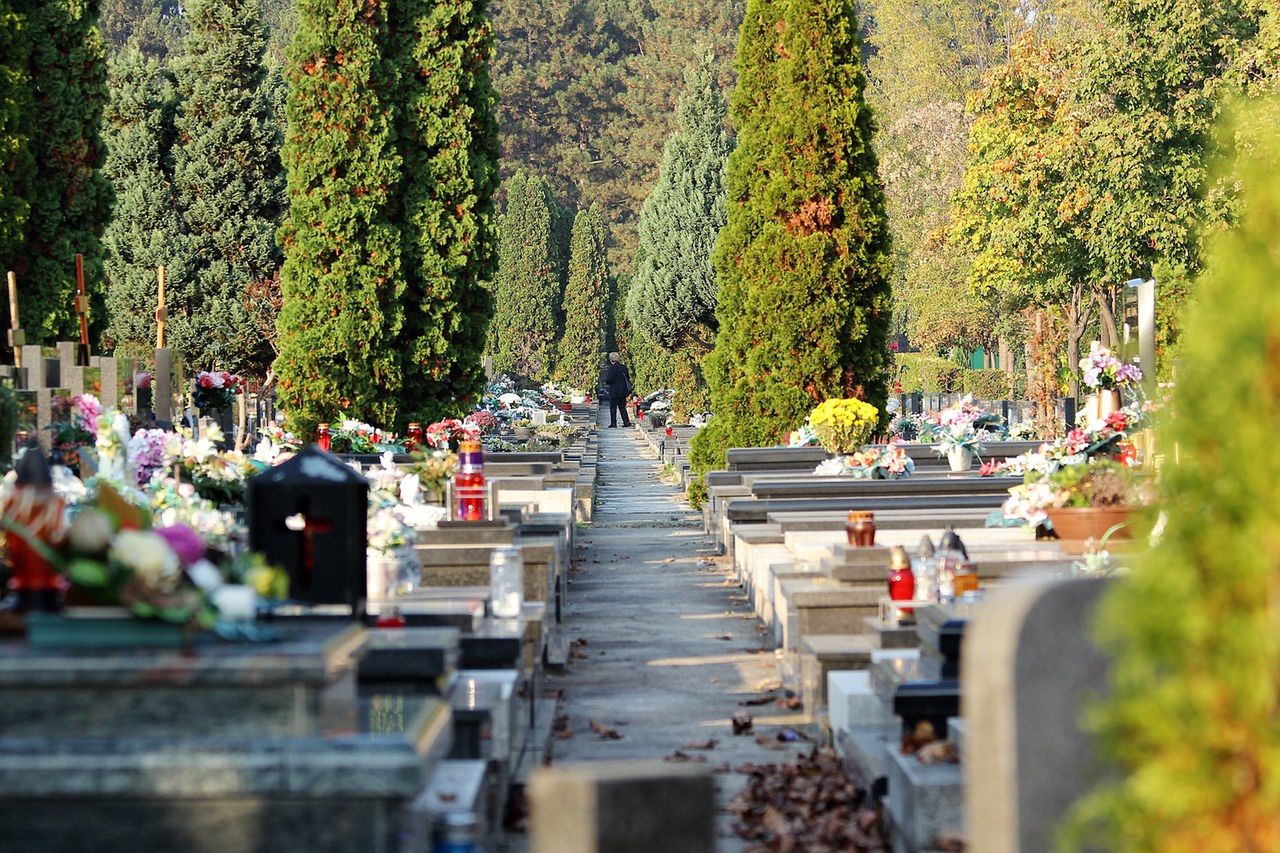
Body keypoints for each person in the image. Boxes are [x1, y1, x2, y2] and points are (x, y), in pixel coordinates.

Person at [604, 352, 633, 428]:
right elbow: (627, 378)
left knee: (613, 407)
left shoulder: (612, 368)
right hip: (623, 391)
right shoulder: (624, 367)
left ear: (611, 359)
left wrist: (606, 382)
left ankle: (613, 423)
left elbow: (610, 380)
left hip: (614, 391)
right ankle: (626, 422)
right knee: (622, 407)